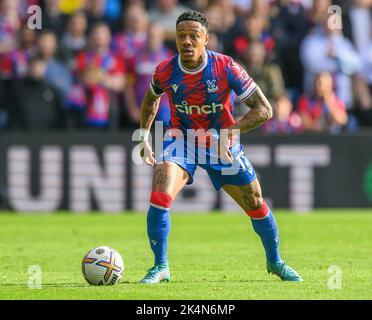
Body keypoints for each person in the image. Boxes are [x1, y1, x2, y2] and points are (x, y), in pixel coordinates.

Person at [138, 10, 302, 284]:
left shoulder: (226, 67)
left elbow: (264, 109)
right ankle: (160, 266)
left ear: (206, 39)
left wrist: (231, 132)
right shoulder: (165, 70)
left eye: (193, 36)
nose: (186, 42)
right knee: (161, 187)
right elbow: (150, 100)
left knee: (255, 202)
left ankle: (275, 262)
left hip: (219, 142)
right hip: (182, 139)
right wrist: (144, 134)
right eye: (181, 36)